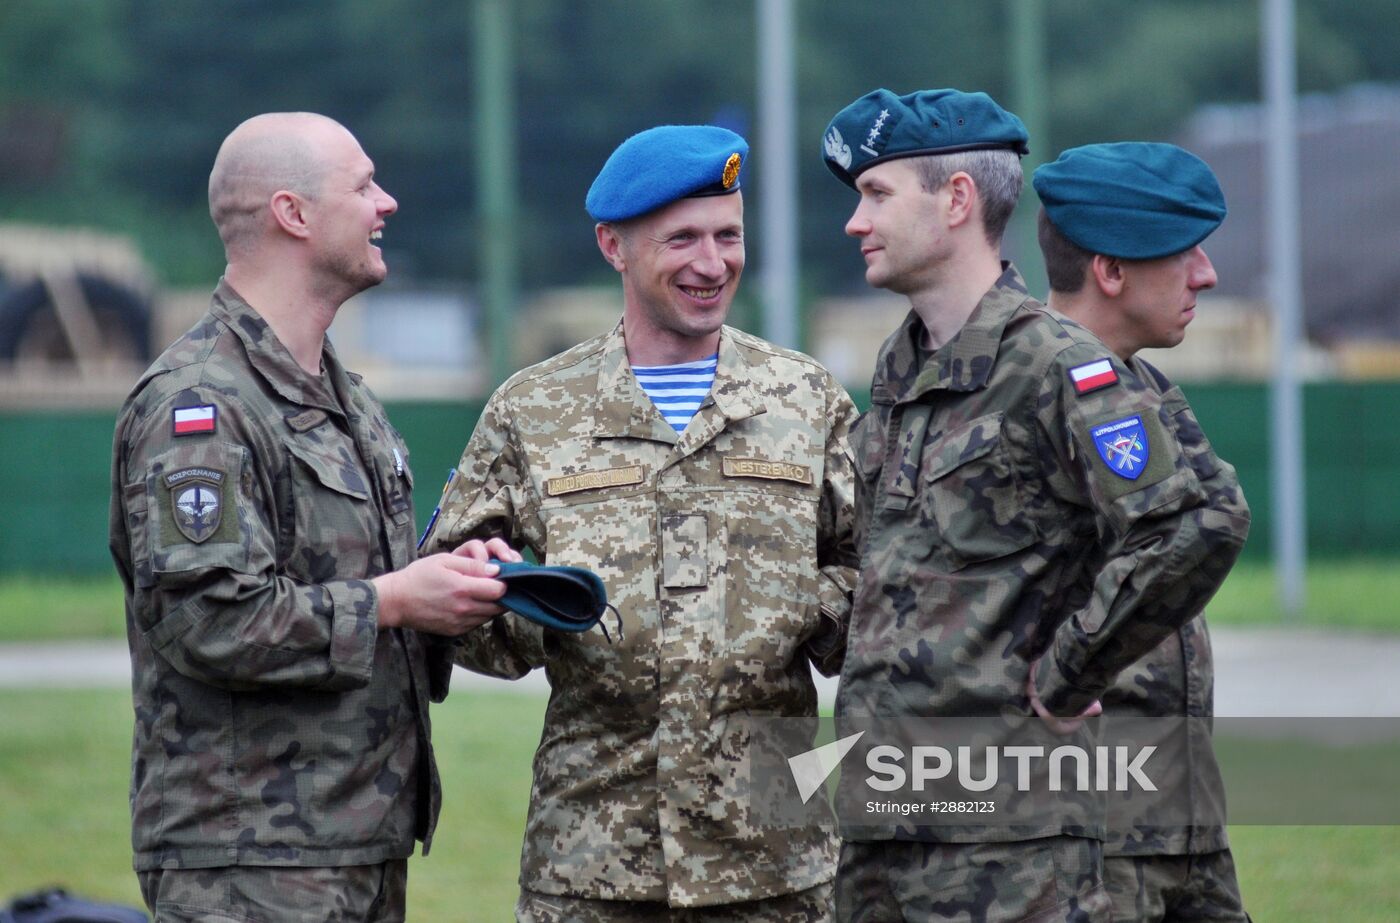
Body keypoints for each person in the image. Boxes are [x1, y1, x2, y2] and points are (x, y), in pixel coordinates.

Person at [819, 88, 1251, 922]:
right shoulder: (899, 385)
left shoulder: (1058, 367)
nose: (854, 222)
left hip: (1016, 843)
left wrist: (1066, 676)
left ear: (955, 200)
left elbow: (1196, 522)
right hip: (890, 831)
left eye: (876, 195)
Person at [420, 124, 860, 921]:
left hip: (774, 865)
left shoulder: (806, 399)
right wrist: (509, 601)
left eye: (729, 235)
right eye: (681, 239)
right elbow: (447, 603)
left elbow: (878, 572)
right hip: (591, 864)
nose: (712, 262)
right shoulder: (534, 410)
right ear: (612, 245)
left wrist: (798, 607)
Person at [108, 112, 512, 922]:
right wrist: (398, 599)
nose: (386, 203)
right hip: (246, 862)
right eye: (364, 185)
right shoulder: (202, 403)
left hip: (353, 842)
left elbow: (365, 576)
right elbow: (211, 619)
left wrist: (461, 582)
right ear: (292, 214)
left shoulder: (345, 398)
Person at [1034, 141, 1252, 922]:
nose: (1207, 274)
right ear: (1111, 271)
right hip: (1094, 837)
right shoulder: (1036, 395)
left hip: (1183, 823)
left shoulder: (1143, 385)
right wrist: (1065, 679)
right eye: (1181, 253)